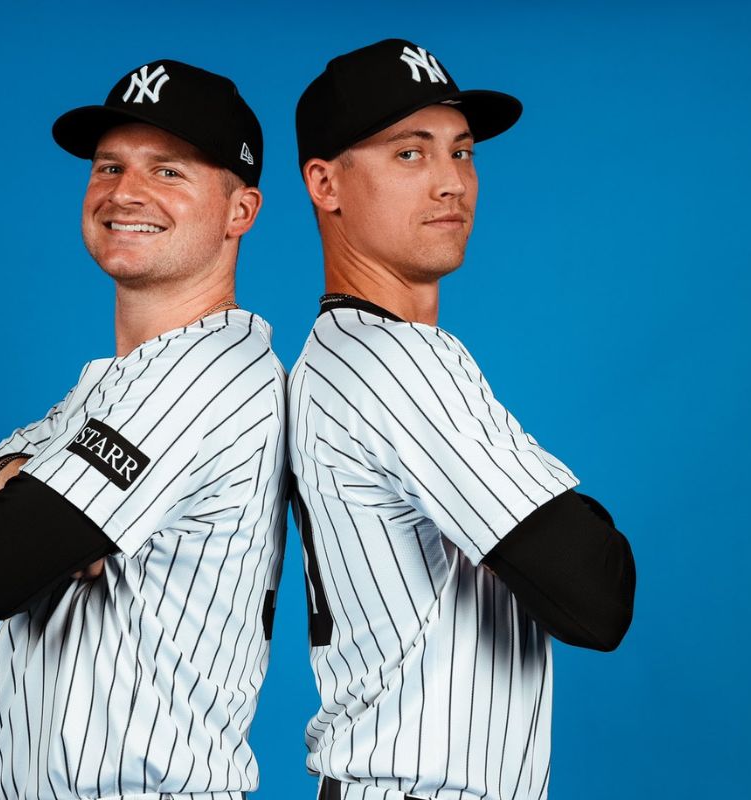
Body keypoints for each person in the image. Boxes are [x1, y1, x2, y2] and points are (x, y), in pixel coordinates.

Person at [0, 59, 287, 800]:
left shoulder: (200, 377)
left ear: (240, 211)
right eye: (109, 166)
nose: (124, 193)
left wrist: (14, 505)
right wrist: (2, 499)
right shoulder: (116, 382)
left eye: (168, 171)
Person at [287, 39, 636, 800]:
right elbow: (598, 593)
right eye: (409, 154)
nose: (452, 182)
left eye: (462, 152)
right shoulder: (397, 365)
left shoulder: (330, 352)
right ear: (325, 182)